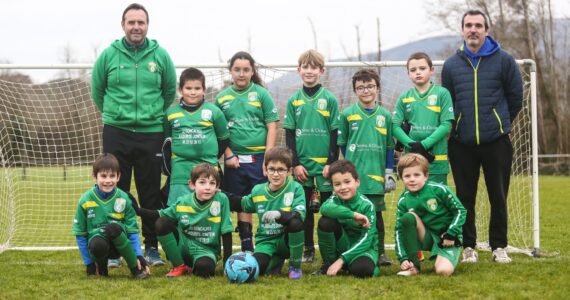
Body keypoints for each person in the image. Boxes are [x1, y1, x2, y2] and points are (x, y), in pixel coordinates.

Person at [91, 3, 177, 266]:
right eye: (131, 22)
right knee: (116, 190)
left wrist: (152, 115)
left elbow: (169, 91)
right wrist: (115, 115)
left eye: (141, 22)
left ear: (147, 26)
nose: (136, 27)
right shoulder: (109, 55)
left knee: (150, 192)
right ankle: (116, 249)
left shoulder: (160, 55)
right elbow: (98, 90)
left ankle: (151, 248)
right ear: (123, 25)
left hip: (151, 132)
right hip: (117, 132)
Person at [441, 10, 523, 263]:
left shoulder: (504, 60)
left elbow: (515, 97)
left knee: (498, 195)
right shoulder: (451, 64)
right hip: (462, 143)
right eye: (468, 25)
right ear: (462, 30)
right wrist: (458, 128)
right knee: (465, 197)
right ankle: (468, 247)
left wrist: (499, 123)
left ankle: (499, 247)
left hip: (496, 141)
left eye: (478, 25)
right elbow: (448, 101)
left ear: (487, 30)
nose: (473, 29)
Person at [215, 51, 280, 252]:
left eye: (246, 70)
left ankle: (268, 244)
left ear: (252, 71)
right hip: (234, 161)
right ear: (230, 72)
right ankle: (246, 245)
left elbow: (272, 126)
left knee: (263, 200)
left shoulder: (261, 94)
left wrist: (268, 158)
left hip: (260, 158)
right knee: (242, 202)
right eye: (237, 70)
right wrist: (228, 154)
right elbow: (217, 131)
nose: (241, 74)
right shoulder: (222, 98)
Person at [283, 49, 339, 263]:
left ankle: (330, 250)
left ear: (321, 71)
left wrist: (331, 163)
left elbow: (335, 133)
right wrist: (295, 164)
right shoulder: (294, 100)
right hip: (302, 167)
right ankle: (307, 249)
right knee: (303, 211)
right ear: (299, 70)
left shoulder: (330, 99)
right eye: (305, 67)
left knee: (328, 210)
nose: (309, 71)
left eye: (313, 67)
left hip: (324, 166)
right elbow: (289, 134)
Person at [337, 68, 396, 266]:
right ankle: (349, 250)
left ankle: (380, 253)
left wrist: (389, 172)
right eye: (360, 87)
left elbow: (389, 146)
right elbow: (343, 143)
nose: (365, 91)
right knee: (351, 216)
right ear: (355, 91)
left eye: (370, 86)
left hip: (376, 177)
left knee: (376, 217)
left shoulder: (386, 116)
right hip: (353, 179)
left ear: (377, 89)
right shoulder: (347, 114)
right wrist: (350, 170)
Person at [136, 163, 233, 278]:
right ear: (192, 185)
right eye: (202, 182)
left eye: (212, 183)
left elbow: (226, 232)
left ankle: (194, 266)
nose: (208, 187)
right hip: (183, 247)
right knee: (162, 222)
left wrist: (227, 264)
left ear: (217, 186)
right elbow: (158, 214)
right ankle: (179, 265)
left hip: (206, 250)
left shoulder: (221, 200)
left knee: (204, 269)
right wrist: (136, 210)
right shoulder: (183, 201)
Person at [226, 147, 306, 279]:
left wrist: (280, 214)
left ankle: (295, 267)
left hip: (285, 240)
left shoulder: (296, 188)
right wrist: (220, 194)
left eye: (280, 169)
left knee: (296, 223)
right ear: (265, 169)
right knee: (258, 269)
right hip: (266, 241)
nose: (275, 174)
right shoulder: (258, 190)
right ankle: (275, 261)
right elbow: (242, 204)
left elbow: (299, 215)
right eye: (271, 169)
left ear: (289, 171)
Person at [72, 153, 150, 279]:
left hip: (120, 245)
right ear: (94, 177)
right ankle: (101, 268)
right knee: (97, 243)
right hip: (98, 246)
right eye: (103, 176)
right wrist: (89, 264)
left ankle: (136, 269)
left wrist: (139, 256)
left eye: (112, 176)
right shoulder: (85, 200)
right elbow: (80, 234)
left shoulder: (124, 198)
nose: (108, 180)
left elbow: (132, 231)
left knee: (113, 228)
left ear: (118, 177)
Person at [164, 68, 230, 206]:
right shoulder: (171, 113)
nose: (193, 92)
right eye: (188, 88)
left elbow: (223, 139)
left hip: (208, 172)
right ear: (180, 90)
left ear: (204, 89)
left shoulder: (214, 112)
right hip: (180, 172)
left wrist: (208, 156)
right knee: (178, 211)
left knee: (210, 212)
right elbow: (167, 142)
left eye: (197, 88)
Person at [394, 153, 466, 276]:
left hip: (448, 238)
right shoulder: (403, 200)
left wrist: (451, 233)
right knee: (407, 218)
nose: (412, 179)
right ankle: (413, 266)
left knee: (443, 271)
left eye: (416, 175)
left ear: (426, 176)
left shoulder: (439, 190)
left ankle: (446, 255)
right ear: (401, 178)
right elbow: (399, 231)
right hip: (427, 236)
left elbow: (460, 211)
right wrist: (403, 258)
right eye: (407, 176)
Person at [392, 52, 454, 185]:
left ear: (431, 70)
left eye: (422, 68)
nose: (418, 73)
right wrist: (411, 144)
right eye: (413, 70)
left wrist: (423, 145)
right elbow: (394, 126)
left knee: (436, 201)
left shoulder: (442, 93)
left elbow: (446, 125)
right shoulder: (404, 97)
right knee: (415, 202)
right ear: (408, 74)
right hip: (412, 160)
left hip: (437, 160)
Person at [316, 160, 380, 278]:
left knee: (363, 269)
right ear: (333, 186)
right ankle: (328, 264)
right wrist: (353, 215)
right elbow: (324, 208)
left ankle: (362, 265)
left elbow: (366, 241)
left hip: (362, 250)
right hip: (343, 245)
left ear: (357, 182)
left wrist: (342, 260)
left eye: (347, 182)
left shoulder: (367, 206)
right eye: (337, 184)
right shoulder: (334, 199)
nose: (343, 187)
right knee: (325, 222)